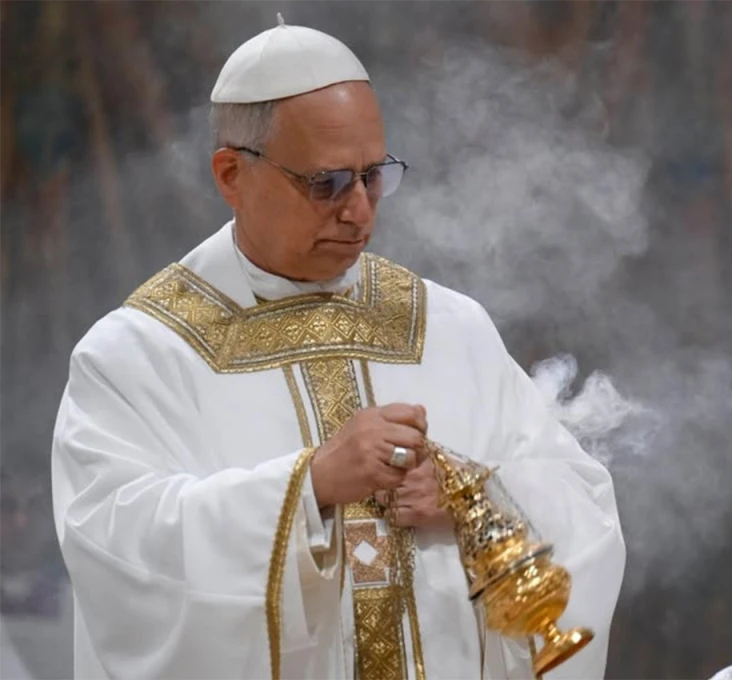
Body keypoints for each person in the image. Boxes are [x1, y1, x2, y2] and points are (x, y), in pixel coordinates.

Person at [50, 16, 625, 680]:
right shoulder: (138, 356)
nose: (360, 212)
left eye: (373, 176)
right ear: (232, 174)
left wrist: (475, 496)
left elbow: (581, 502)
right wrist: (311, 485)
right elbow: (120, 551)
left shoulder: (450, 327)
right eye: (325, 184)